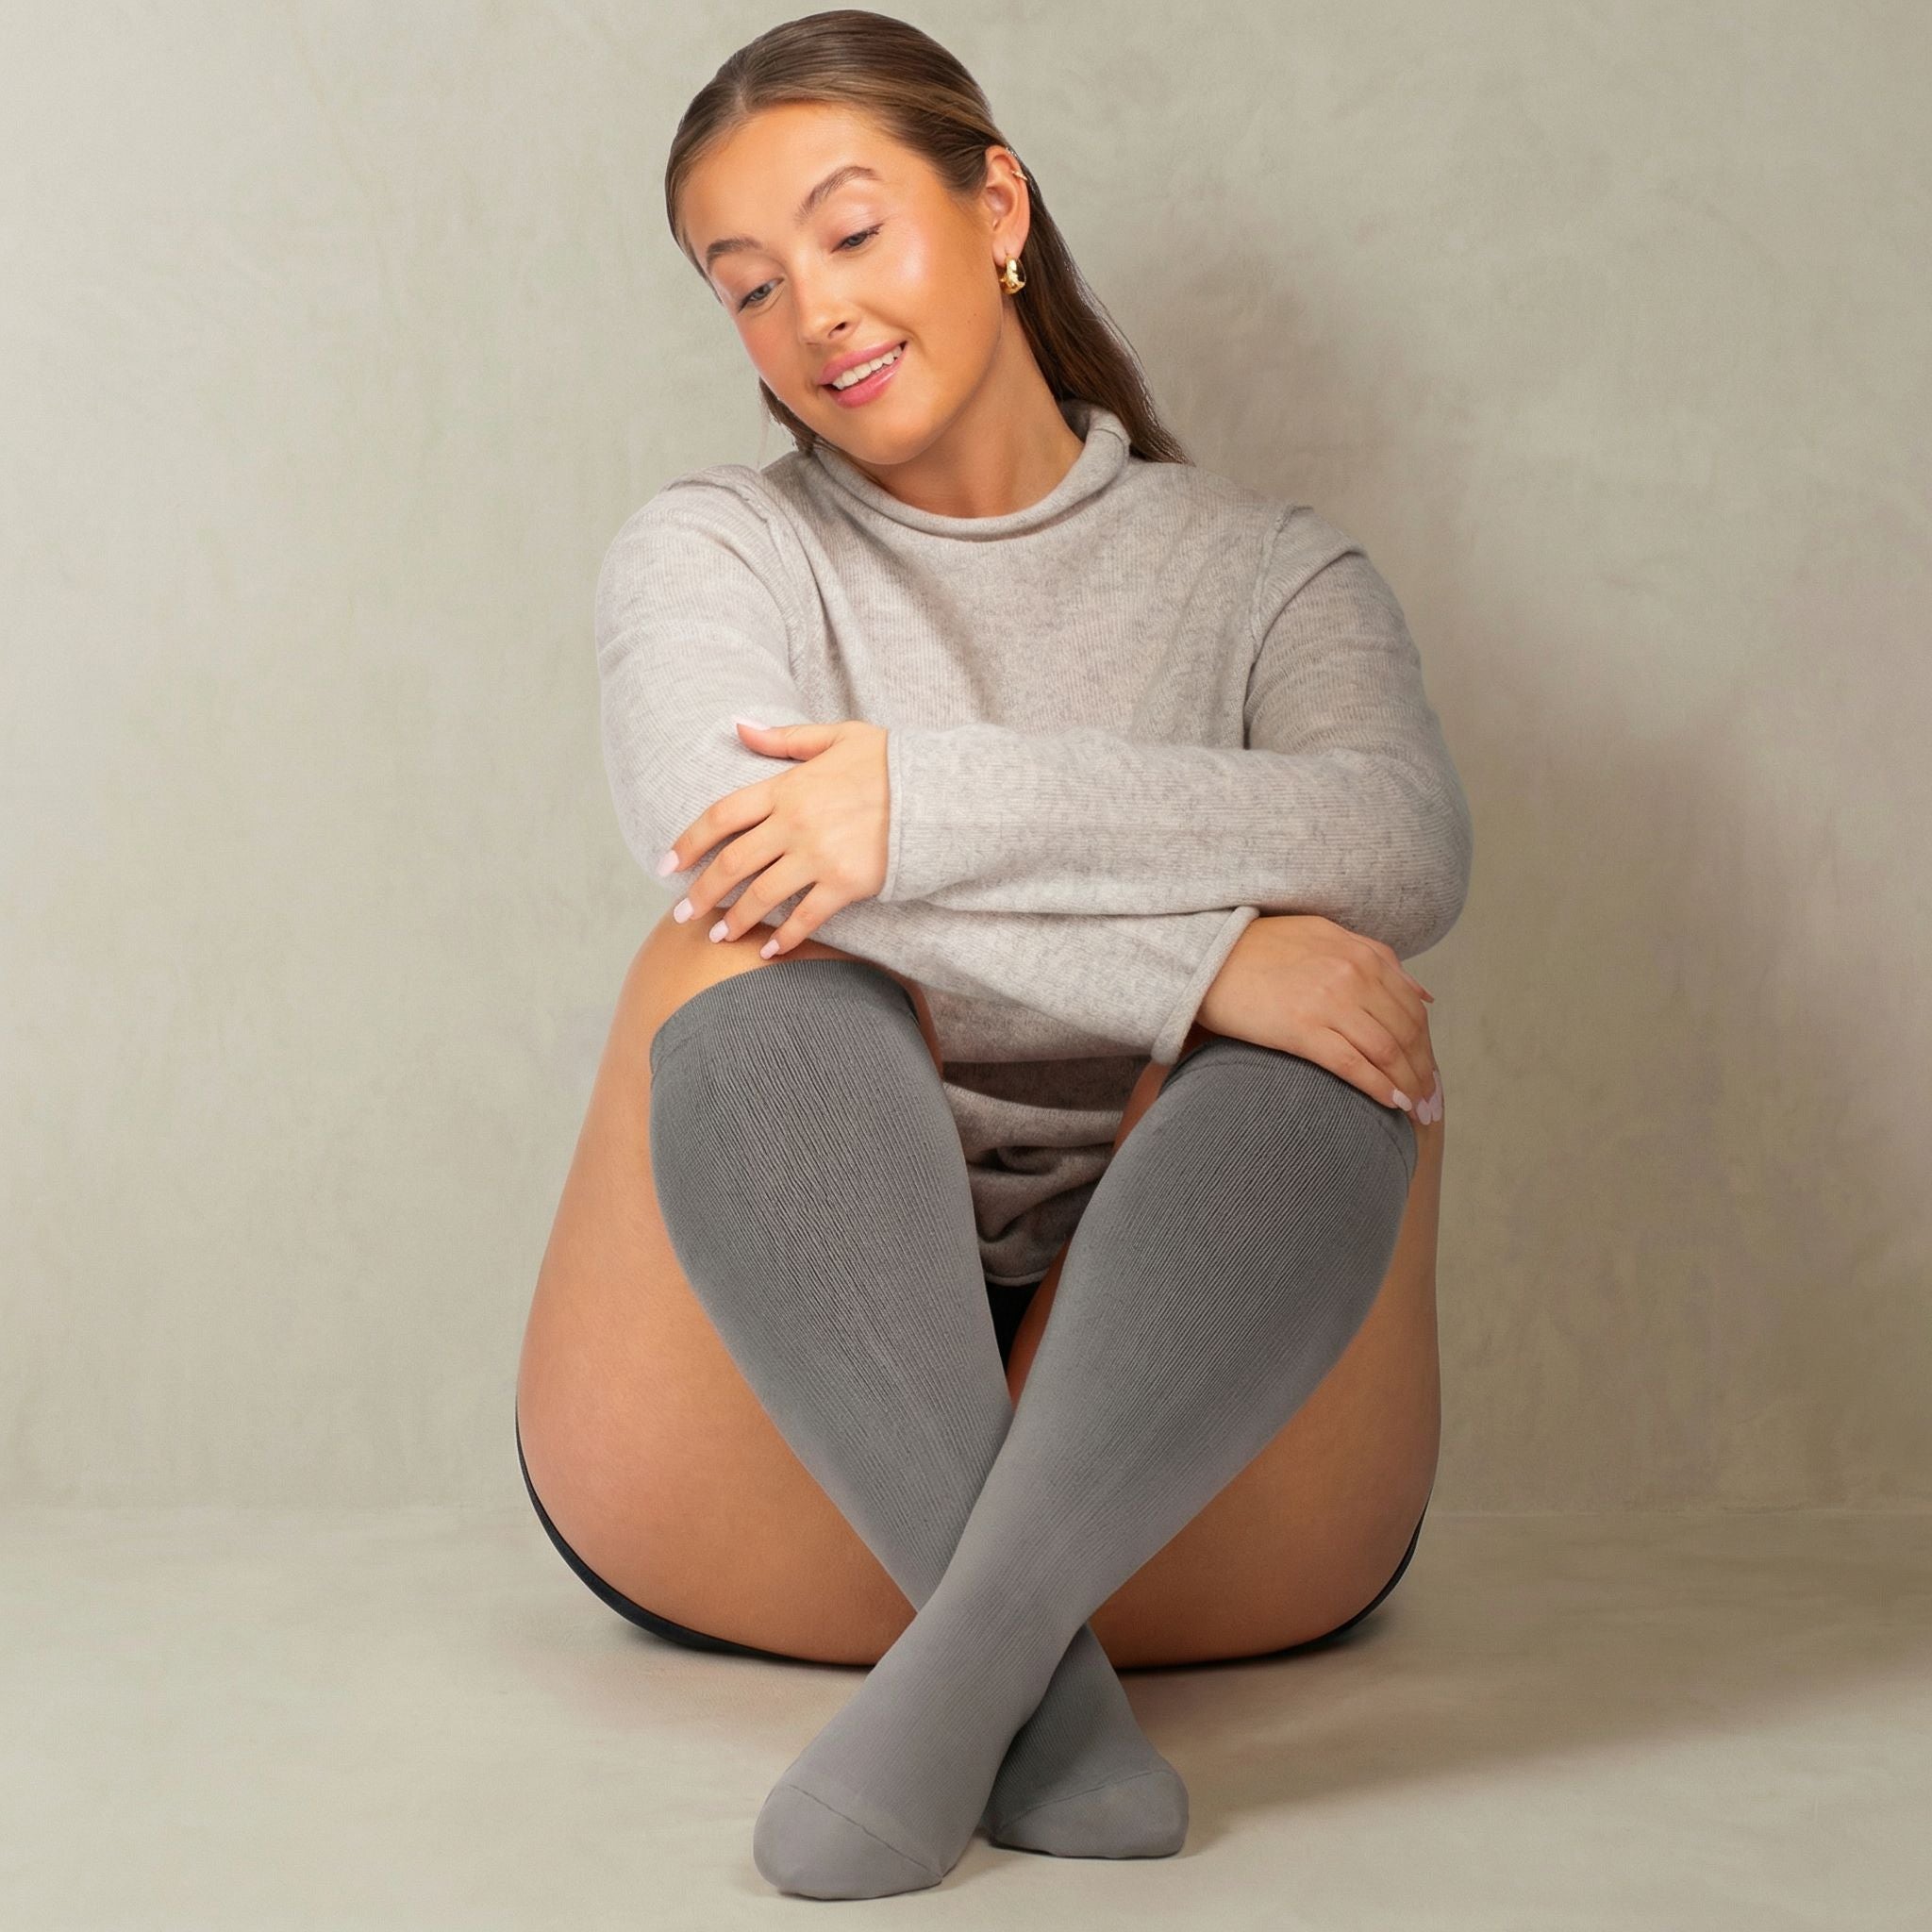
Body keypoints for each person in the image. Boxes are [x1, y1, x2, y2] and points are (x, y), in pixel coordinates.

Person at [515, 7, 1472, 1900]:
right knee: (733, 974)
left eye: (852, 231)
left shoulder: (1270, 574)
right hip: (761, 1415)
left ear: (999, 207)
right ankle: (1041, 1693)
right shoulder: (716, 549)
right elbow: (714, 842)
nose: (813, 313)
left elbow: (1401, 842)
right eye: (749, 284)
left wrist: (920, 804)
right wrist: (1191, 968)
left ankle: (972, 1679)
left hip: (1192, 1407)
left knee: (1342, 1018)